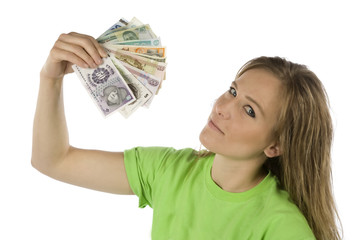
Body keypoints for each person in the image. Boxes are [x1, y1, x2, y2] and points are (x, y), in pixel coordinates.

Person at [31, 32, 342, 240]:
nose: (222, 107)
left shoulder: (282, 227)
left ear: (275, 145)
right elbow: (53, 160)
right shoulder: (169, 170)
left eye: (249, 110)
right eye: (233, 91)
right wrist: (50, 78)